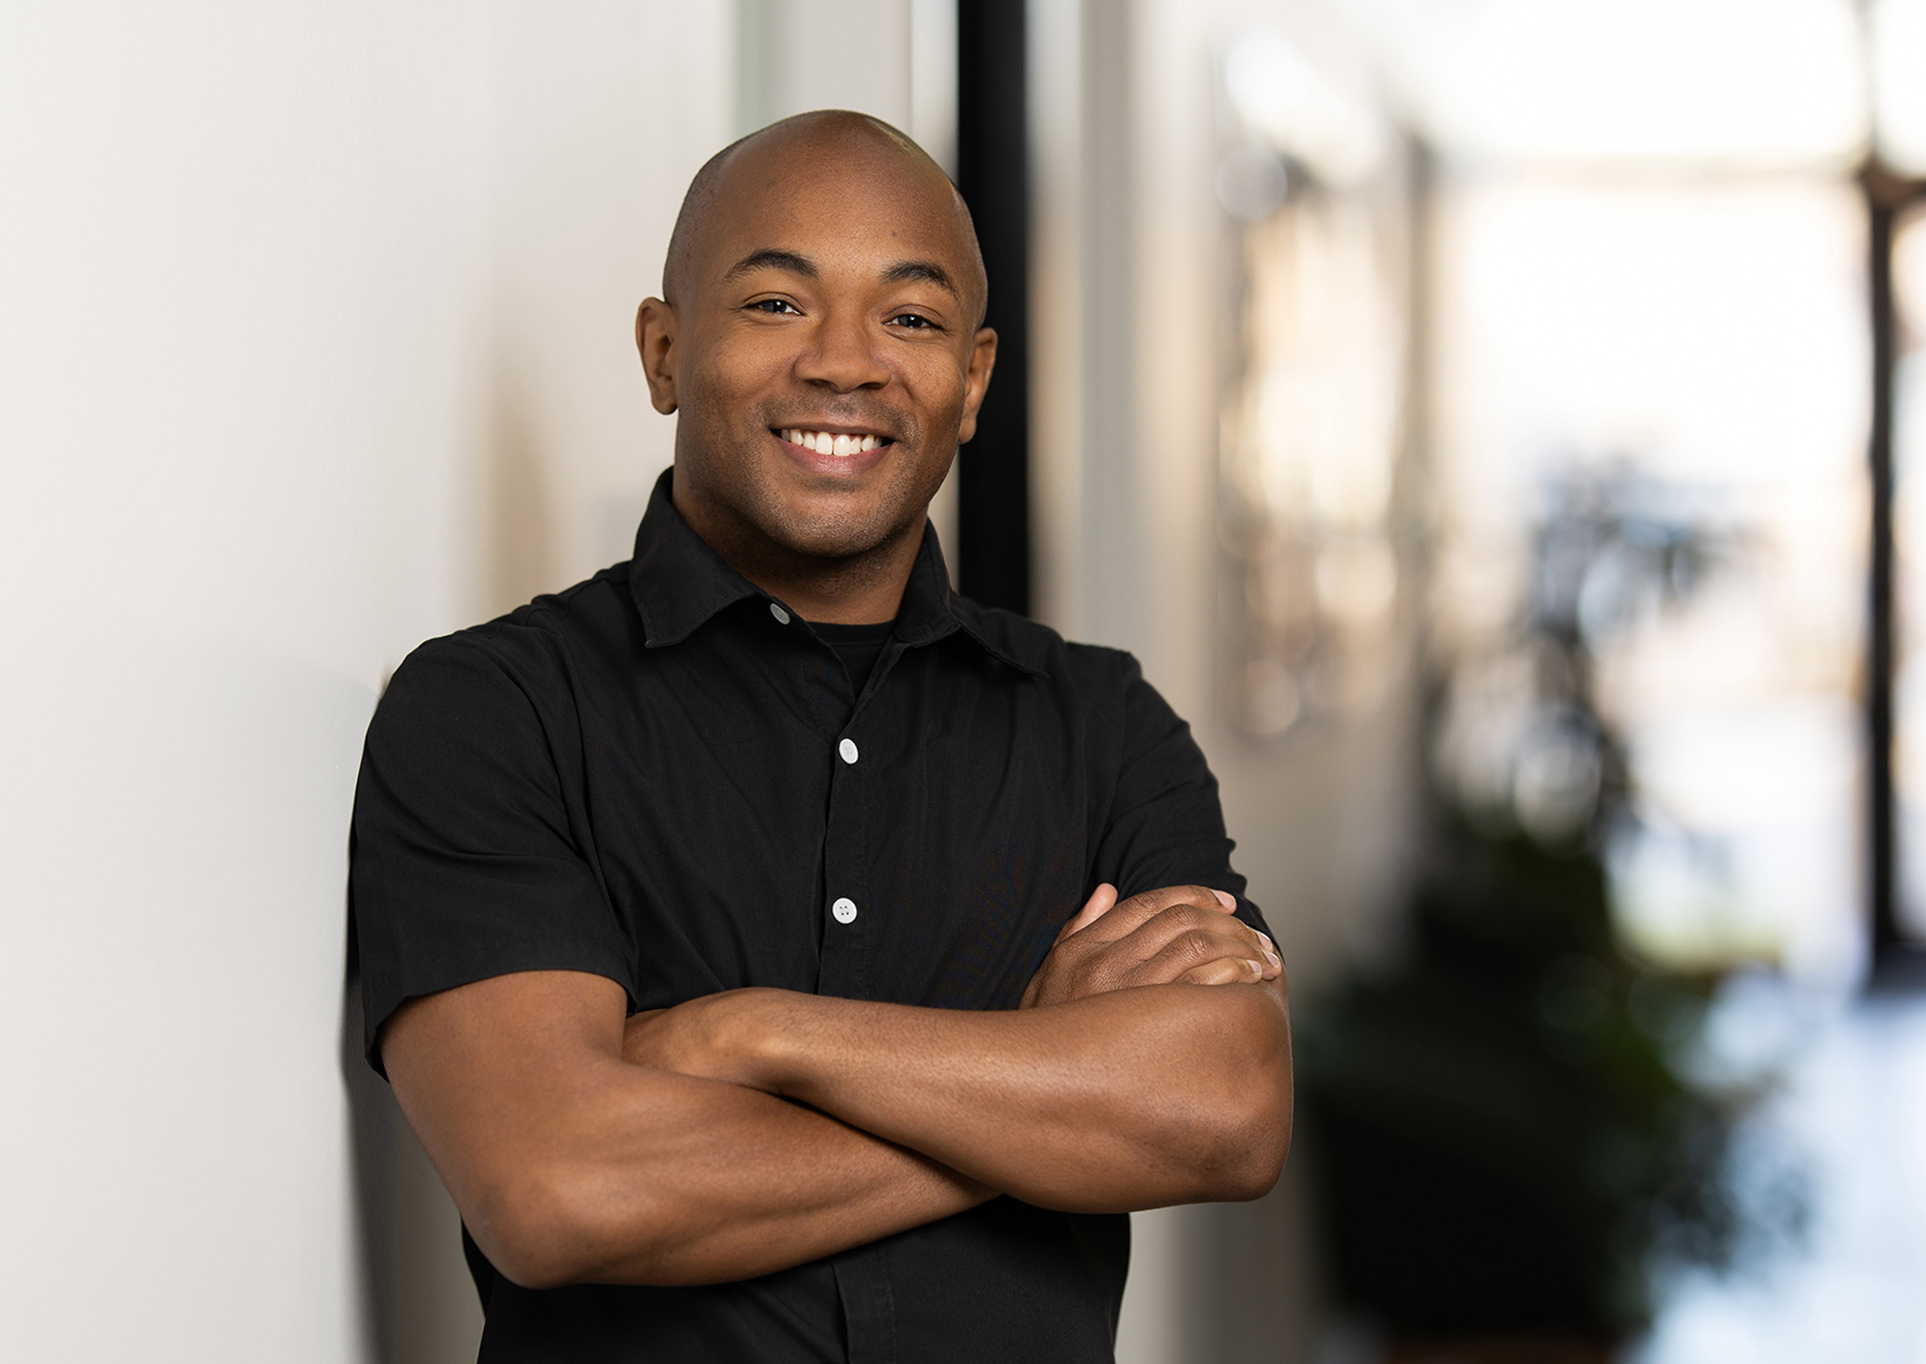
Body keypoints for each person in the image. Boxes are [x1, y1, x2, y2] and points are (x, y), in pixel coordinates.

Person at [350, 110, 1291, 1364]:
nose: (846, 363)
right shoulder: (491, 713)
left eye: (909, 318)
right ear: (664, 350)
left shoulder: (1101, 723)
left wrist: (751, 1033)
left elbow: (1222, 1110)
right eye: (777, 304)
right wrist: (1039, 1072)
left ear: (974, 379)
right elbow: (557, 1188)